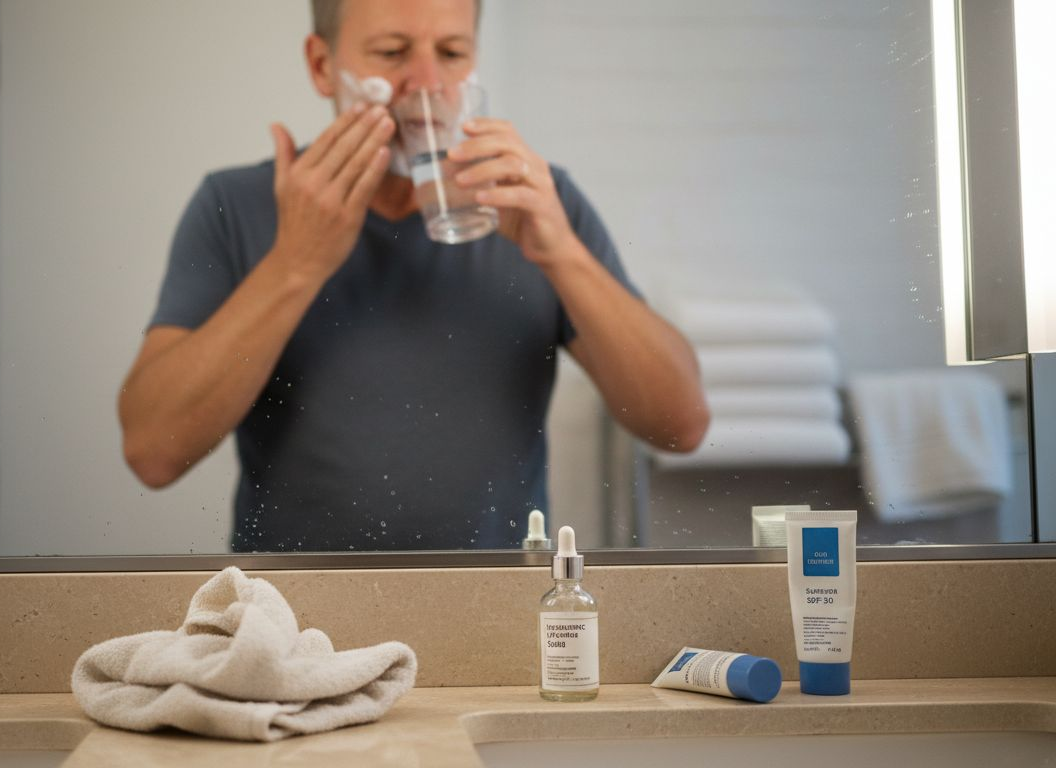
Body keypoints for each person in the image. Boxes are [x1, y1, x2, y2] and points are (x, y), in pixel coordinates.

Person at [118, 0, 709, 552]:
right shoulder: (237, 205)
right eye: (393, 52)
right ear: (324, 67)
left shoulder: (533, 203)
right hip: (293, 635)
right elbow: (153, 452)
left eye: (451, 54)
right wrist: (295, 264)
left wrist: (562, 254)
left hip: (493, 613)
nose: (428, 84)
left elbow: (681, 426)